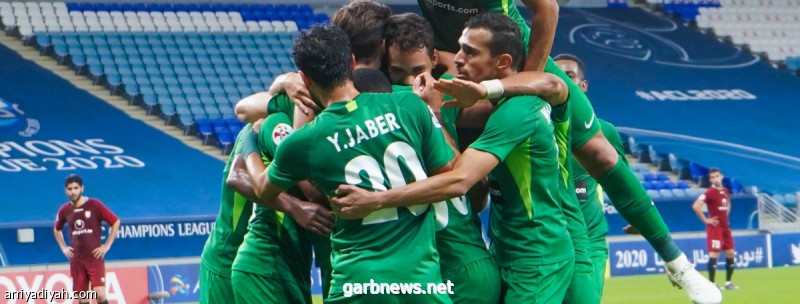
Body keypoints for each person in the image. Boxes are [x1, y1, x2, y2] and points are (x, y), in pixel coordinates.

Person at [416, 3, 722, 303]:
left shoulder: (527, 88)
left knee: (599, 154)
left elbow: (547, 11)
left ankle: (676, 262)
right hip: (461, 64)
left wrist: (517, 91)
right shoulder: (452, 64)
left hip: (515, 64)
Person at [333, 13, 574, 303]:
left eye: (470, 52)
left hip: (536, 255)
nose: (457, 59)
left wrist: (376, 200)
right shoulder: (493, 102)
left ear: (503, 62)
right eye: (459, 48)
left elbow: (461, 179)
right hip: (505, 249)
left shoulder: (517, 111)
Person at [244, 25, 454, 303]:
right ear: (352, 63)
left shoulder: (304, 140)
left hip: (357, 284)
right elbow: (447, 179)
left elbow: (263, 190)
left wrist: (249, 142)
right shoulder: (409, 105)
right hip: (421, 282)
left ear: (305, 79)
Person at [384, 12, 500, 303]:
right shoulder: (389, 97)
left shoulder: (448, 94)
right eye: (398, 73)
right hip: (424, 266)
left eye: (417, 70)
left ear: (433, 59)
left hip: (457, 256)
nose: (411, 82)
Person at [199, 119, 331, 304]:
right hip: (233, 258)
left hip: (288, 263)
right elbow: (236, 177)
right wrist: (295, 206)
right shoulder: (270, 126)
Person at [555, 53, 627, 297]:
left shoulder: (604, 132)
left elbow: (623, 184)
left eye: (570, 76)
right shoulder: (534, 127)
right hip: (548, 242)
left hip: (590, 242)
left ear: (583, 86)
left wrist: (637, 219)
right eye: (556, 75)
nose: (563, 81)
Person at [54, 174, 121, 304]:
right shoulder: (65, 210)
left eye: (75, 188)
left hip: (94, 258)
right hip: (77, 260)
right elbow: (57, 229)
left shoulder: (94, 205)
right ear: (65, 190)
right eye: (70, 189)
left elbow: (116, 222)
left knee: (100, 294)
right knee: (82, 298)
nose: (73, 192)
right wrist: (63, 247)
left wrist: (107, 245)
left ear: (82, 188)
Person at [693, 168, 738, 290]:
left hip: (725, 227)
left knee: (730, 253)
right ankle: (711, 284)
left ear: (721, 176)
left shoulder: (725, 190)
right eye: (712, 177)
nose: (715, 179)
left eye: (716, 176)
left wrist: (725, 215)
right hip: (715, 227)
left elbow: (728, 203)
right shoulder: (709, 192)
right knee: (715, 253)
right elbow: (696, 206)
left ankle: (728, 282)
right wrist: (706, 220)